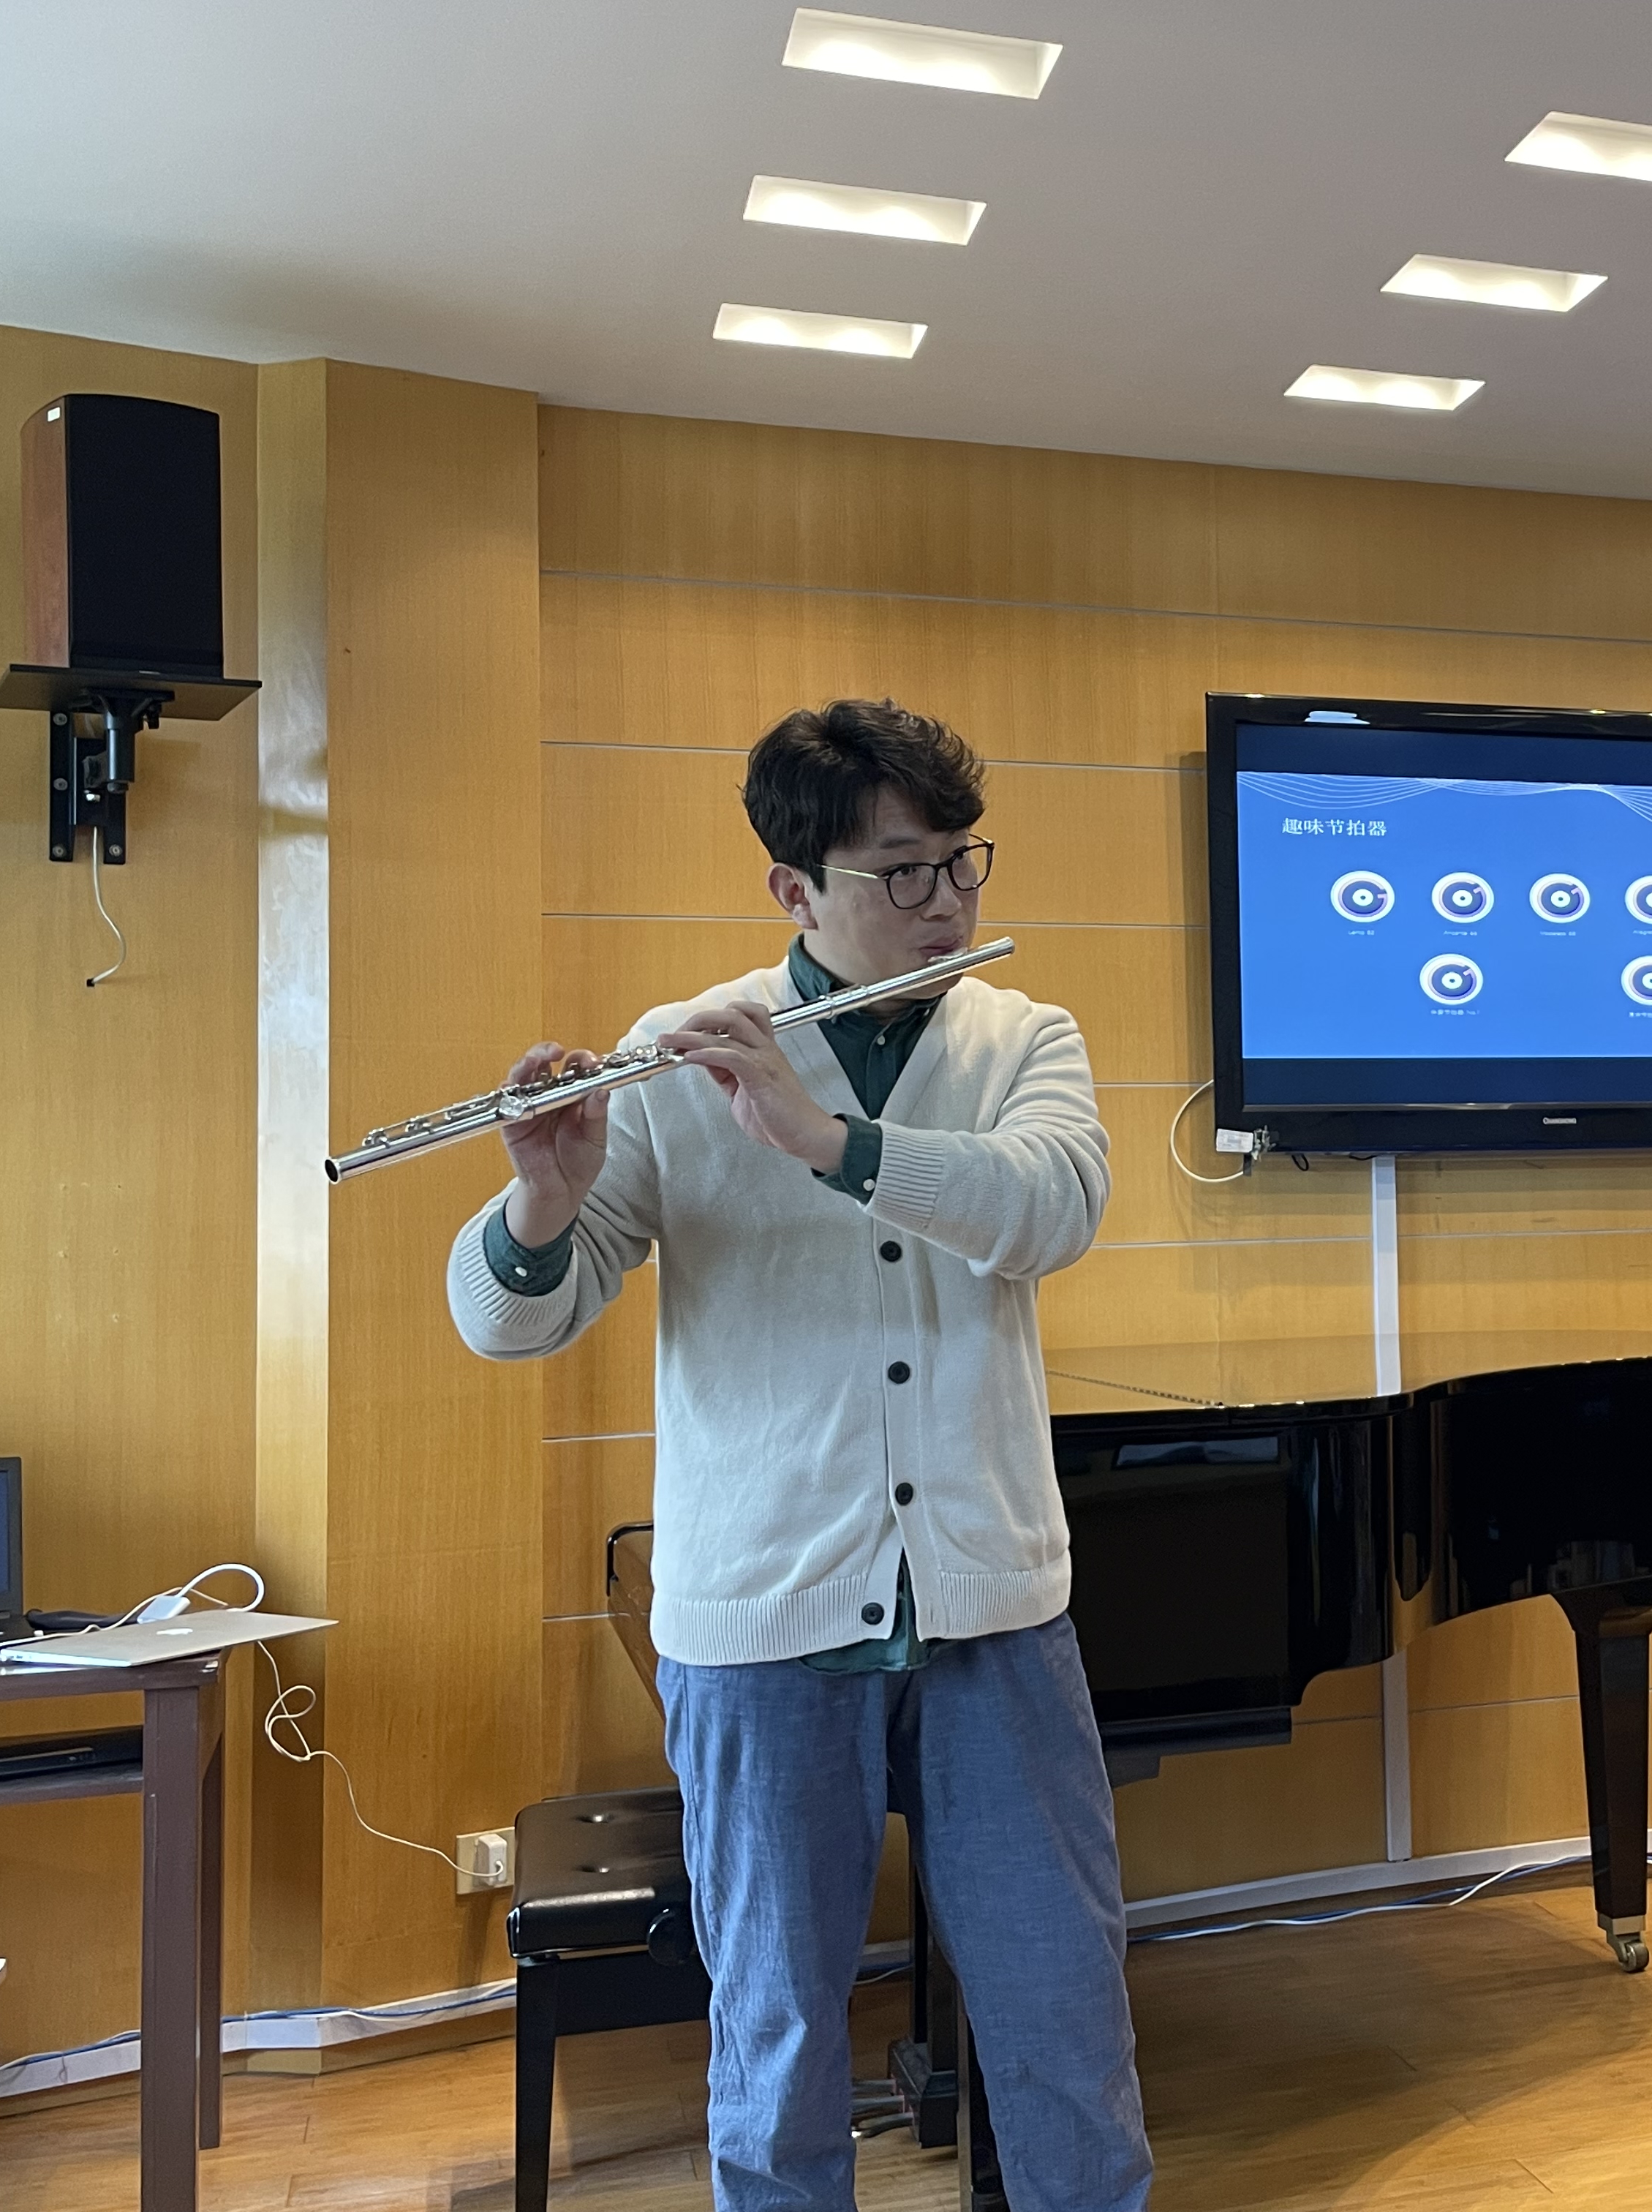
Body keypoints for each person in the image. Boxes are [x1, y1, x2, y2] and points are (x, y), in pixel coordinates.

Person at [447, 698, 1150, 2212]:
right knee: (774, 2045)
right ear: (794, 887)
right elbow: (511, 1325)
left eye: (960, 861)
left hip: (993, 1612)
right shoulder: (681, 1053)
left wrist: (824, 1136)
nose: (945, 899)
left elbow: (1052, 1208)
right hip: (760, 1625)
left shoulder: (1024, 1037)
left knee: (1065, 2021)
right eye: (901, 871)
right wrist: (544, 1201)